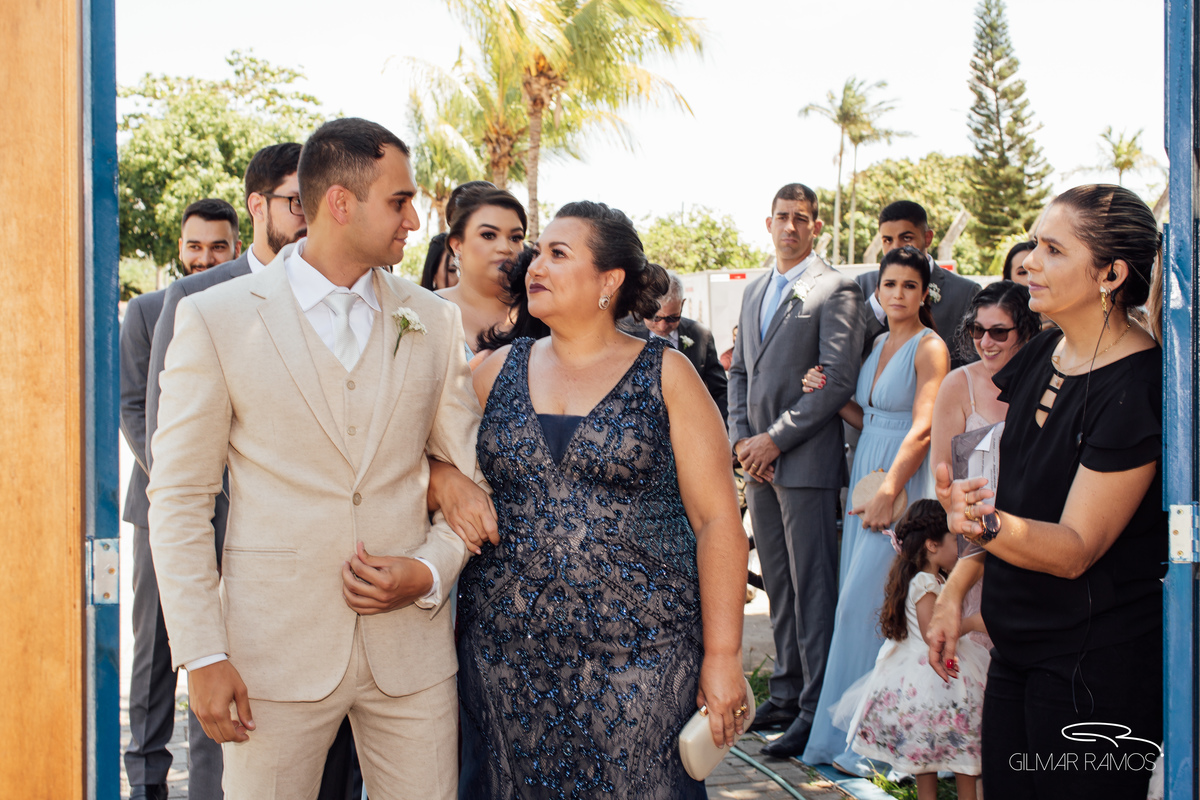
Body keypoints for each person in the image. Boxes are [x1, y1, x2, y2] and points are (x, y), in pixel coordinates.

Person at [147, 118, 486, 799]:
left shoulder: (433, 319)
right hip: (273, 652)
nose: (414, 220)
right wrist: (203, 653)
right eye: (399, 201)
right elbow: (180, 497)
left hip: (411, 655)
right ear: (340, 202)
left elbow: (467, 479)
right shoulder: (217, 319)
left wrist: (428, 570)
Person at [458, 201, 750, 798]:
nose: (535, 264)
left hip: (642, 657)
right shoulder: (493, 372)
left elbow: (718, 520)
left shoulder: (668, 375)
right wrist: (445, 479)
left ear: (609, 281)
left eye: (558, 254)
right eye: (538, 252)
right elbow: (431, 457)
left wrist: (723, 655)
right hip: (505, 655)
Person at [933, 185, 1165, 798]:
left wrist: (980, 524)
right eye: (1035, 243)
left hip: (1095, 667)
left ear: (1111, 274)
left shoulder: (1137, 386)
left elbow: (1074, 549)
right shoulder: (1043, 351)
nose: (1030, 261)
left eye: (1054, 250)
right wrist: (955, 589)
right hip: (1016, 646)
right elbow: (1015, 501)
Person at [728, 183, 865, 758]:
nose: (791, 226)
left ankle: (815, 708)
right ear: (768, 222)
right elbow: (740, 372)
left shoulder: (838, 289)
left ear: (815, 227)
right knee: (778, 587)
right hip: (757, 465)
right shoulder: (754, 288)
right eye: (782, 217)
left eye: (801, 218)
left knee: (813, 589)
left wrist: (774, 440)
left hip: (804, 462)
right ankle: (784, 694)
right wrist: (742, 441)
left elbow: (836, 381)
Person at [800, 245, 950, 769]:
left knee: (872, 606)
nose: (898, 294)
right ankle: (843, 736)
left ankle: (873, 749)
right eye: (890, 284)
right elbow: (870, 417)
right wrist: (827, 391)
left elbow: (923, 427)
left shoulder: (930, 347)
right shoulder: (880, 341)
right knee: (858, 605)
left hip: (902, 481)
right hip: (870, 469)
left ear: (925, 293)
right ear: (878, 289)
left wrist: (890, 490)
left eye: (910, 286)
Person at [121, 196, 240, 800]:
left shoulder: (245, 306)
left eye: (217, 246)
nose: (204, 257)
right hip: (161, 511)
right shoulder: (146, 311)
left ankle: (211, 784)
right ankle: (146, 780)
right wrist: (183, 480)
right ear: (180, 248)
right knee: (153, 652)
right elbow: (134, 407)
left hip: (239, 514)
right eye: (195, 246)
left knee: (218, 648)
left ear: (235, 247)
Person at [832, 500, 987, 800]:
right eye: (954, 541)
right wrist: (971, 623)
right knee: (958, 757)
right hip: (933, 677)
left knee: (934, 759)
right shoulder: (926, 582)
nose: (959, 549)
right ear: (932, 545)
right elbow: (933, 635)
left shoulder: (932, 579)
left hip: (935, 673)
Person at [927, 281, 1040, 653]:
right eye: (977, 330)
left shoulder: (1046, 381)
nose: (986, 341)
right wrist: (972, 526)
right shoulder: (958, 385)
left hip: (1035, 541)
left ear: (1025, 330)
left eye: (999, 332)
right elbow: (944, 479)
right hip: (977, 544)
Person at [857, 201, 979, 370]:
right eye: (887, 240)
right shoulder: (863, 284)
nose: (895, 247)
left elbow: (973, 364)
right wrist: (876, 305)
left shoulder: (965, 292)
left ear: (927, 238)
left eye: (906, 238)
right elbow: (846, 348)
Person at [629, 271, 728, 419]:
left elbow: (719, 391)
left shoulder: (700, 335)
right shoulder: (623, 331)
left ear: (682, 304)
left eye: (672, 318)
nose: (662, 326)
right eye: (655, 318)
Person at [437, 188, 527, 351]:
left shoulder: (539, 311)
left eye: (515, 238)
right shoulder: (427, 307)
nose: (505, 248)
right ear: (457, 245)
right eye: (488, 235)